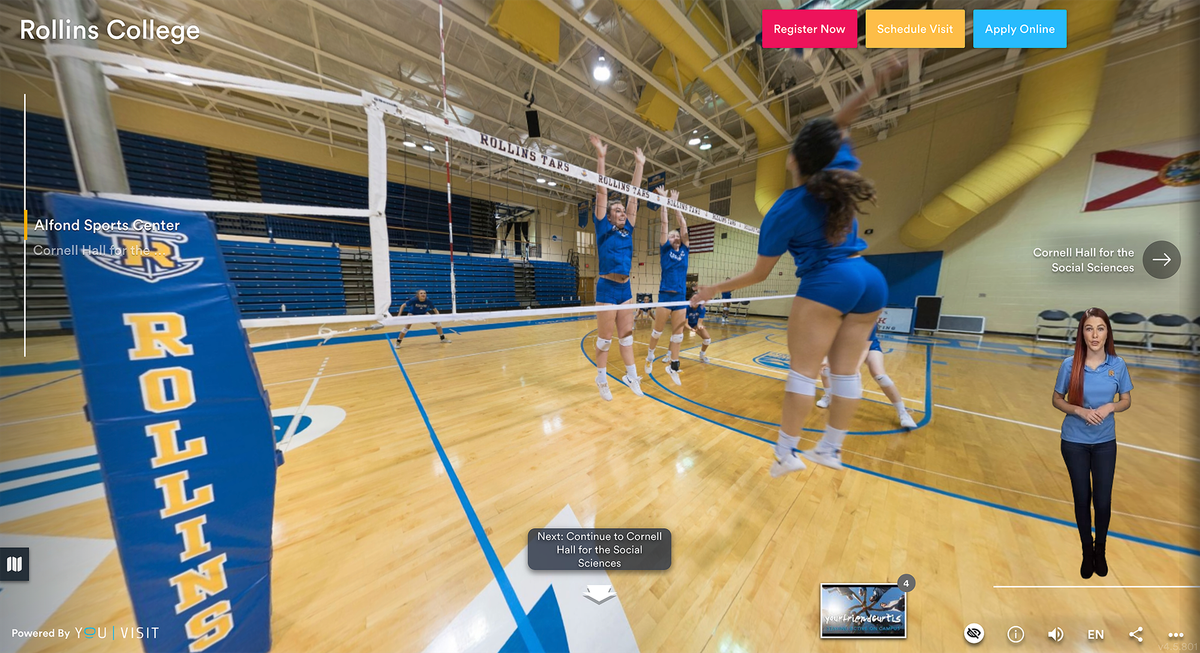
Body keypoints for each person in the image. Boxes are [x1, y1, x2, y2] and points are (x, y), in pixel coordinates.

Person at [692, 58, 904, 477]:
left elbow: (758, 275)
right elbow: (838, 125)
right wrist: (876, 81)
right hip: (870, 277)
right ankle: (830, 449)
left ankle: (787, 453)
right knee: (845, 374)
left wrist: (713, 288)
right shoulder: (838, 169)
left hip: (829, 281)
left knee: (804, 374)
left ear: (793, 159)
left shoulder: (783, 210)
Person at [1051, 307, 1132, 579]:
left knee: (1103, 501)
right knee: (1082, 498)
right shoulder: (1069, 365)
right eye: (1088, 328)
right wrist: (1079, 411)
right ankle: (1087, 551)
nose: (1094, 334)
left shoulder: (1117, 365)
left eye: (1099, 328)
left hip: (1105, 442)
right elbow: (1057, 399)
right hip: (1074, 441)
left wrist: (1111, 406)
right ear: (1081, 333)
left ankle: (1101, 550)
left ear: (1107, 332)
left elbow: (1126, 400)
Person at [589, 134, 646, 400]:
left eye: (624, 210)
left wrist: (640, 165)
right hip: (606, 287)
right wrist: (601, 157)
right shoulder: (603, 226)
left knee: (627, 337)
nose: (623, 212)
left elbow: (634, 197)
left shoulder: (628, 230)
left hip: (626, 289)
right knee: (604, 340)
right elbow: (602, 191)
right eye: (619, 210)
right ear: (609, 215)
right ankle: (601, 380)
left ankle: (631, 377)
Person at [816, 325, 917, 429]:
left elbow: (864, 349)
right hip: (845, 346)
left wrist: (855, 369)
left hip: (868, 348)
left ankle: (903, 412)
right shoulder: (837, 315)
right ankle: (829, 396)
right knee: (825, 369)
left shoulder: (868, 316)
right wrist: (825, 358)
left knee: (880, 376)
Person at [644, 187, 689, 385]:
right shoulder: (664, 250)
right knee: (657, 332)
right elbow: (664, 223)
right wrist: (664, 201)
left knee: (678, 336)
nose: (675, 237)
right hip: (665, 296)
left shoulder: (685, 250)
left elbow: (683, 225)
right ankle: (650, 356)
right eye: (672, 236)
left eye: (676, 235)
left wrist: (675, 204)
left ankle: (673, 367)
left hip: (680, 297)